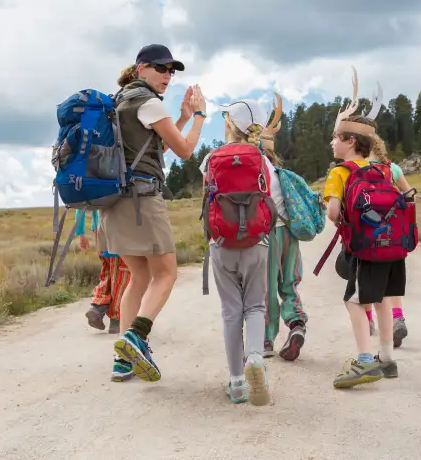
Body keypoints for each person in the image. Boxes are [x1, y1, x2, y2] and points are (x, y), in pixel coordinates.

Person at [102, 44, 206, 383]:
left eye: (172, 70)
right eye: (161, 68)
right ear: (141, 67)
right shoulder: (148, 102)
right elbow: (185, 150)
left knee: (139, 277)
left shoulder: (120, 102)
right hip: (143, 199)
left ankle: (123, 360)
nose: (167, 75)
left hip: (115, 201)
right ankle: (136, 336)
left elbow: (152, 147)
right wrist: (201, 117)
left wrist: (183, 119)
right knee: (166, 273)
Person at [322, 115, 414, 388]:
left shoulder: (339, 172)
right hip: (392, 248)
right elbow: (409, 198)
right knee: (382, 299)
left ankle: (364, 360)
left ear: (350, 141)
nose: (333, 143)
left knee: (354, 301)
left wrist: (339, 218)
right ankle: (386, 359)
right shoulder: (384, 170)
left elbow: (333, 212)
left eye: (337, 138)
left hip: (366, 250)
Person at [201, 99, 277, 405]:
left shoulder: (210, 158)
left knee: (231, 312)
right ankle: (255, 357)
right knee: (255, 307)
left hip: (222, 244)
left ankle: (236, 383)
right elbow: (269, 200)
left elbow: (206, 200)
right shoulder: (262, 159)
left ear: (230, 124)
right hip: (256, 244)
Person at [258, 112, 308, 362]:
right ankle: (296, 323)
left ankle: (266, 339)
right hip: (288, 231)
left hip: (266, 234)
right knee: (289, 282)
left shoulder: (254, 166)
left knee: (266, 287)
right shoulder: (278, 170)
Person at [75, 209, 130, 336]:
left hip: (99, 231)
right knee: (122, 276)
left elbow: (81, 206)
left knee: (108, 272)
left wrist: (81, 234)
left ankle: (97, 306)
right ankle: (117, 318)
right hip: (118, 229)